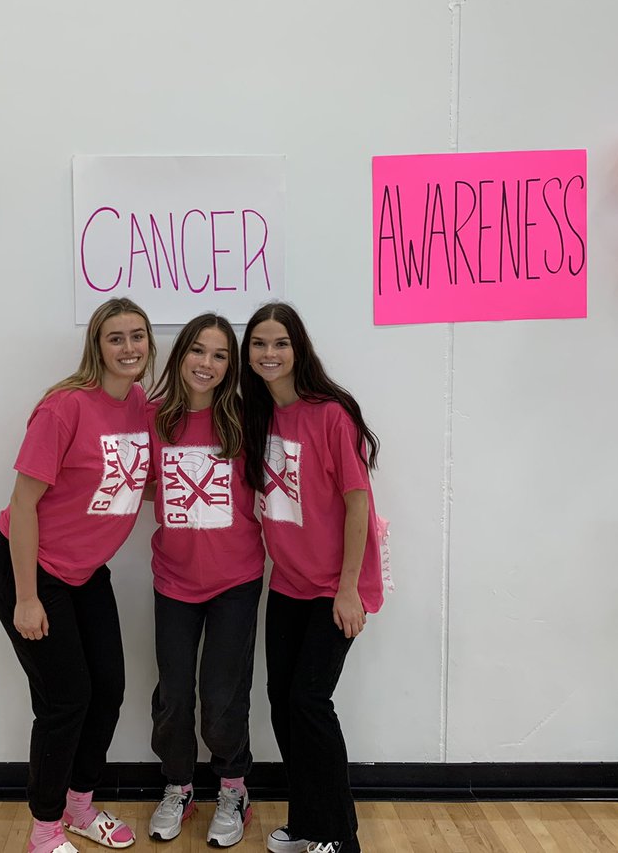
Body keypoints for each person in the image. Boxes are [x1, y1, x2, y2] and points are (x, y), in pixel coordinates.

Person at [0, 297, 156, 853]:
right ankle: (43, 830)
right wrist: (28, 597)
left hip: (86, 573)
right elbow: (24, 501)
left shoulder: (140, 407)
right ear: (97, 347)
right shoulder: (64, 408)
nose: (129, 347)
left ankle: (80, 806)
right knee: (66, 699)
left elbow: (142, 480)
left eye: (138, 336)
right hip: (30, 566)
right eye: (116, 337)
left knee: (107, 690)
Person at [239, 302, 385, 853]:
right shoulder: (258, 415)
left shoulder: (330, 414)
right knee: (282, 701)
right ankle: (306, 822)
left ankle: (338, 835)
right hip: (288, 584)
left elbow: (356, 505)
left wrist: (348, 588)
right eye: (258, 344)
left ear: (298, 348)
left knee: (309, 702)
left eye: (280, 343)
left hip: (334, 587)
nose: (269, 354)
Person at [144, 314, 266, 848]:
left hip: (236, 581)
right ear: (180, 355)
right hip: (173, 582)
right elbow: (143, 485)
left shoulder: (245, 420)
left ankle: (233, 787)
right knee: (173, 695)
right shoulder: (155, 419)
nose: (207, 364)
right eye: (198, 350)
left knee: (221, 695)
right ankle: (178, 784)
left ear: (231, 366)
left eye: (220, 355)